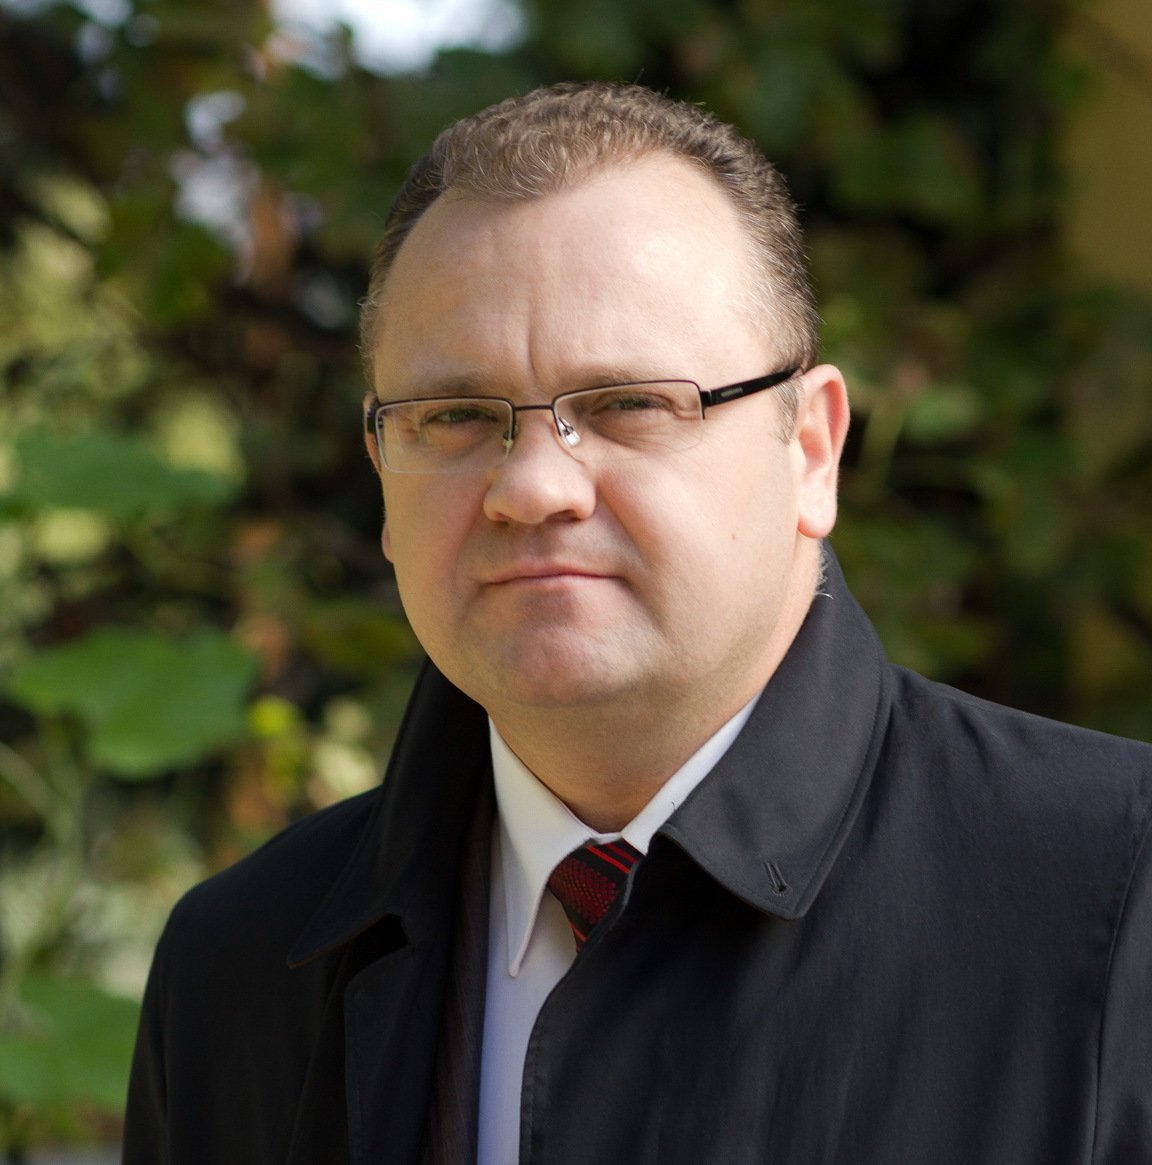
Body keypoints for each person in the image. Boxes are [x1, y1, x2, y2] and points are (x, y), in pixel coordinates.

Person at [123, 82, 1152, 1165]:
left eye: (628, 405)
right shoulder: (237, 969)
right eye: (455, 416)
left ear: (811, 451)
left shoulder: (1119, 899)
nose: (532, 487)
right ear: (381, 469)